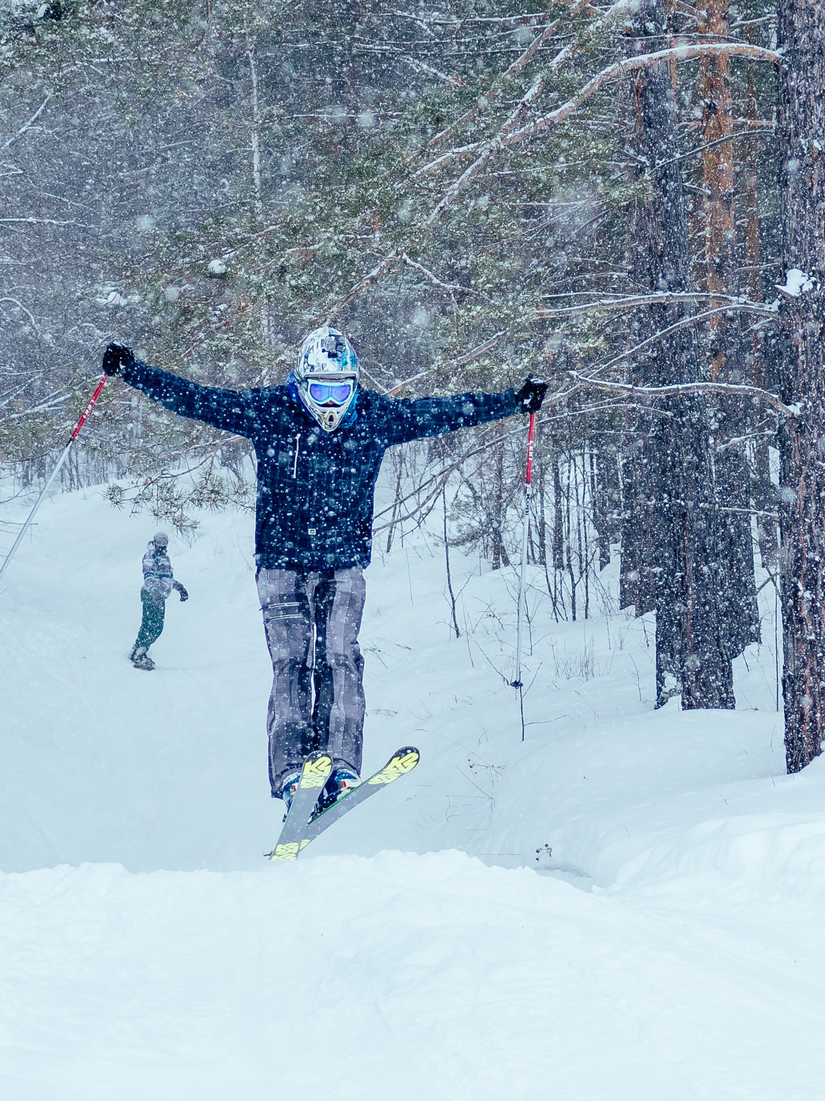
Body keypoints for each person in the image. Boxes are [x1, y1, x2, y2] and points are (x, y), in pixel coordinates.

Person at [101, 325, 547, 817]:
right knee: (292, 660)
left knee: (339, 655)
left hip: (343, 563)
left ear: (354, 386)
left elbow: (441, 412)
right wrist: (135, 374)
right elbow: (200, 401)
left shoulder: (375, 417)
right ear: (301, 382)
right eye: (320, 389)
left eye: (340, 390)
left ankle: (340, 763)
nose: (330, 403)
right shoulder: (271, 411)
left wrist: (512, 402)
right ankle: (293, 769)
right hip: (281, 562)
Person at [129, 532, 189, 669]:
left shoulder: (165, 558)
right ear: (155, 541)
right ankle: (139, 653)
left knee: (157, 628)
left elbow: (167, 579)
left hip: (160, 597)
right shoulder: (151, 555)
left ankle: (140, 648)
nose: (162, 544)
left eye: (164, 541)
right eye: (159, 541)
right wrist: (154, 589)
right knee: (149, 625)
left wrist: (179, 588)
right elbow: (148, 574)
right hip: (151, 595)